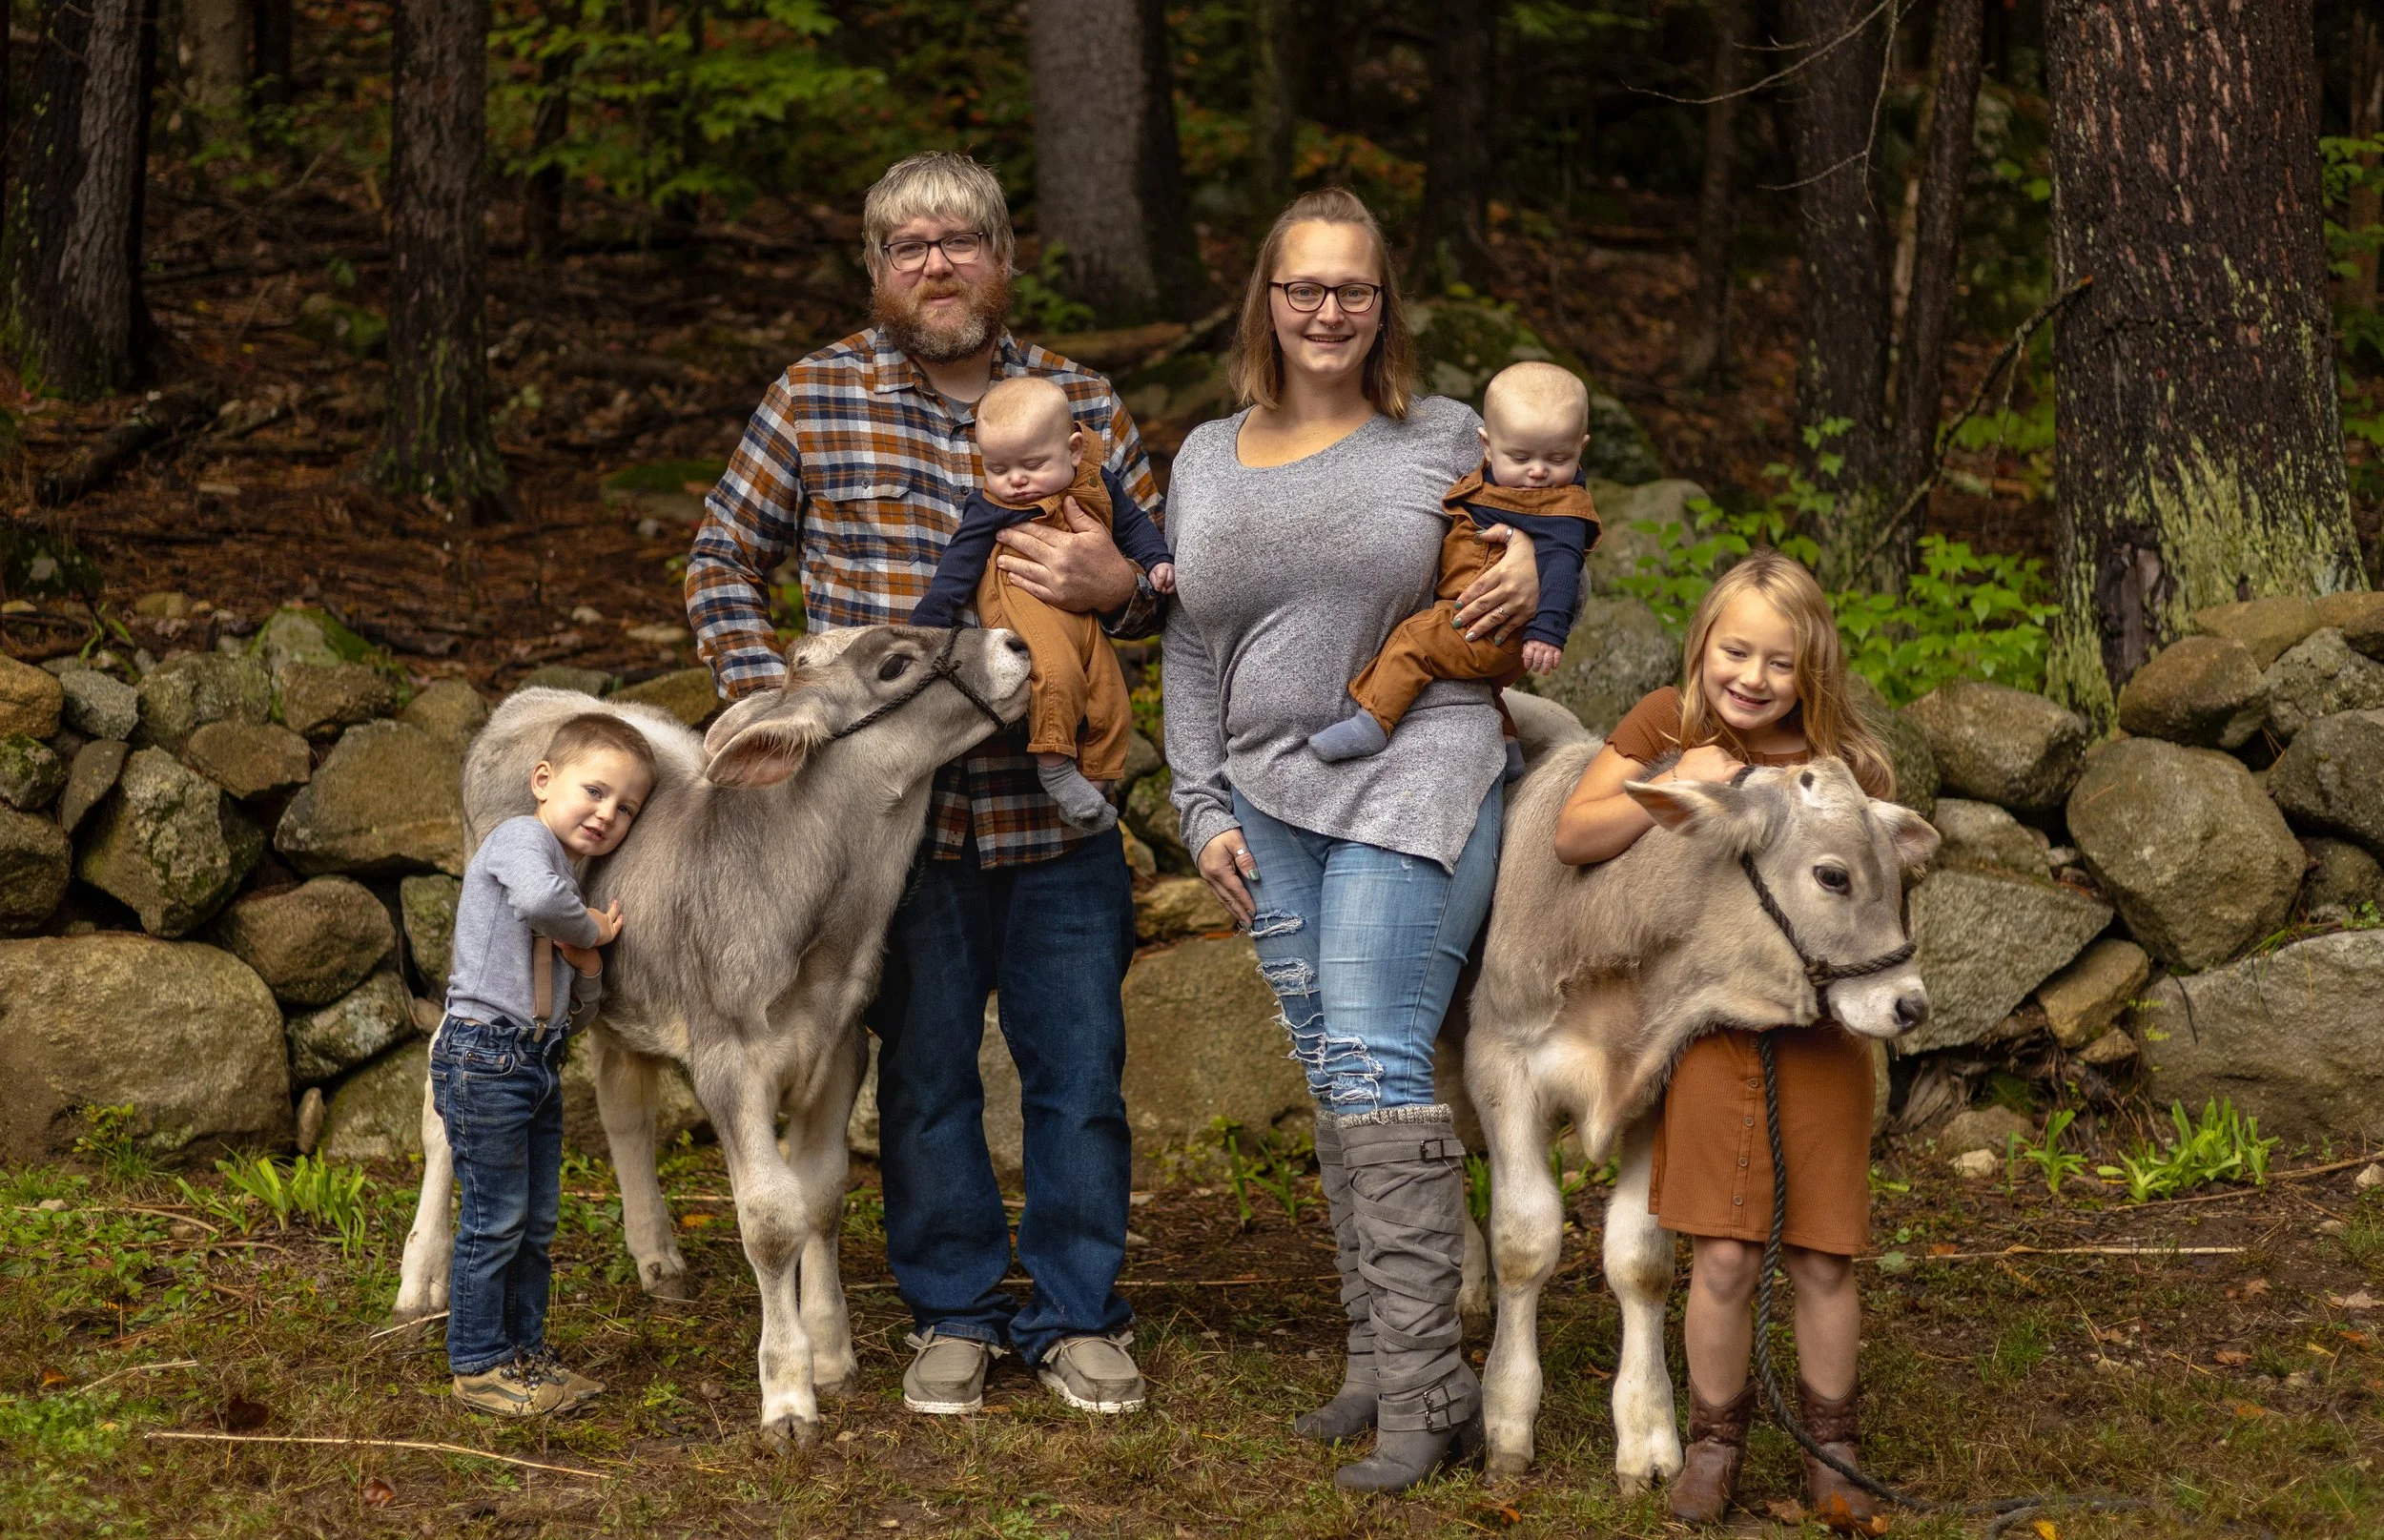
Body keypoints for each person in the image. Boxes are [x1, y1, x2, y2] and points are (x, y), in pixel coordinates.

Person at [685, 152, 1161, 1419]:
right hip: (885, 831)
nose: (937, 263)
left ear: (1006, 260)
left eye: (961, 240)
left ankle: (1075, 1312)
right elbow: (724, 551)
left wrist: (1115, 586)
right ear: (879, 272)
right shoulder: (815, 396)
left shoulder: (1084, 403)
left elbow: (1167, 591)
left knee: (1080, 1068)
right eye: (909, 246)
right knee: (928, 1068)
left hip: (1055, 813)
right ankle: (953, 1307)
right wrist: (774, 694)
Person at [1163, 187, 1542, 1493]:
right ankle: (1381, 1359)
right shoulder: (1203, 455)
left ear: (1386, 304)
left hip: (1417, 764)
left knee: (1379, 1050)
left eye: (1355, 289)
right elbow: (1189, 646)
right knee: (1335, 1069)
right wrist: (1199, 804)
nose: (1329, 310)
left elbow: (1551, 521)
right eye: (1304, 288)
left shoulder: (1444, 435)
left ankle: (1433, 1381)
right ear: (1264, 300)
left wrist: (1543, 569)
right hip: (1265, 792)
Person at [1549, 549, 1898, 1526]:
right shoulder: (1665, 723)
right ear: (1702, 646)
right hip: (1708, 1038)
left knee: (1822, 1256)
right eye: (1732, 651)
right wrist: (1678, 773)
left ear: (1811, 670)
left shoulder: (1846, 770)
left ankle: (1834, 1444)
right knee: (1724, 1256)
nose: (1751, 677)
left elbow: (1876, 906)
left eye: (1777, 662)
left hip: (1819, 1039)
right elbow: (1574, 835)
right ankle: (1715, 1441)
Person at [435, 712, 654, 1418]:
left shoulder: (564, 872)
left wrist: (587, 967)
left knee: (533, 1222)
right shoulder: (520, 841)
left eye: (625, 809)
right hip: (486, 1055)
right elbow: (539, 904)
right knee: (494, 1219)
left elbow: (575, 1008)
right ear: (542, 780)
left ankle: (525, 1353)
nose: (606, 814)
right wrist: (591, 928)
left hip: (533, 1060)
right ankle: (478, 1363)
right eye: (594, 791)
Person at [1308, 359, 1600, 775]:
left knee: (1415, 641)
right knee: (1477, 681)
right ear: (1486, 446)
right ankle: (1509, 747)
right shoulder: (1489, 476)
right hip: (1494, 635)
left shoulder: (1562, 513)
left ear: (1581, 449)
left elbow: (1562, 567)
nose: (1538, 472)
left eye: (1558, 458)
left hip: (1494, 625)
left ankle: (1373, 721)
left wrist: (1547, 632)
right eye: (1520, 456)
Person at [912, 375, 1176, 831]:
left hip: (1085, 611)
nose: (1015, 481)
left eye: (1032, 465)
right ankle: (1054, 765)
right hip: (1022, 597)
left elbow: (1133, 527)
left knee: (1109, 689)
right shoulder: (994, 506)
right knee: (1055, 672)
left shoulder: (1099, 483)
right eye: (997, 469)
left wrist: (1155, 562)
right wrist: (929, 621)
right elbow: (960, 561)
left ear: (1074, 450)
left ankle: (1095, 778)